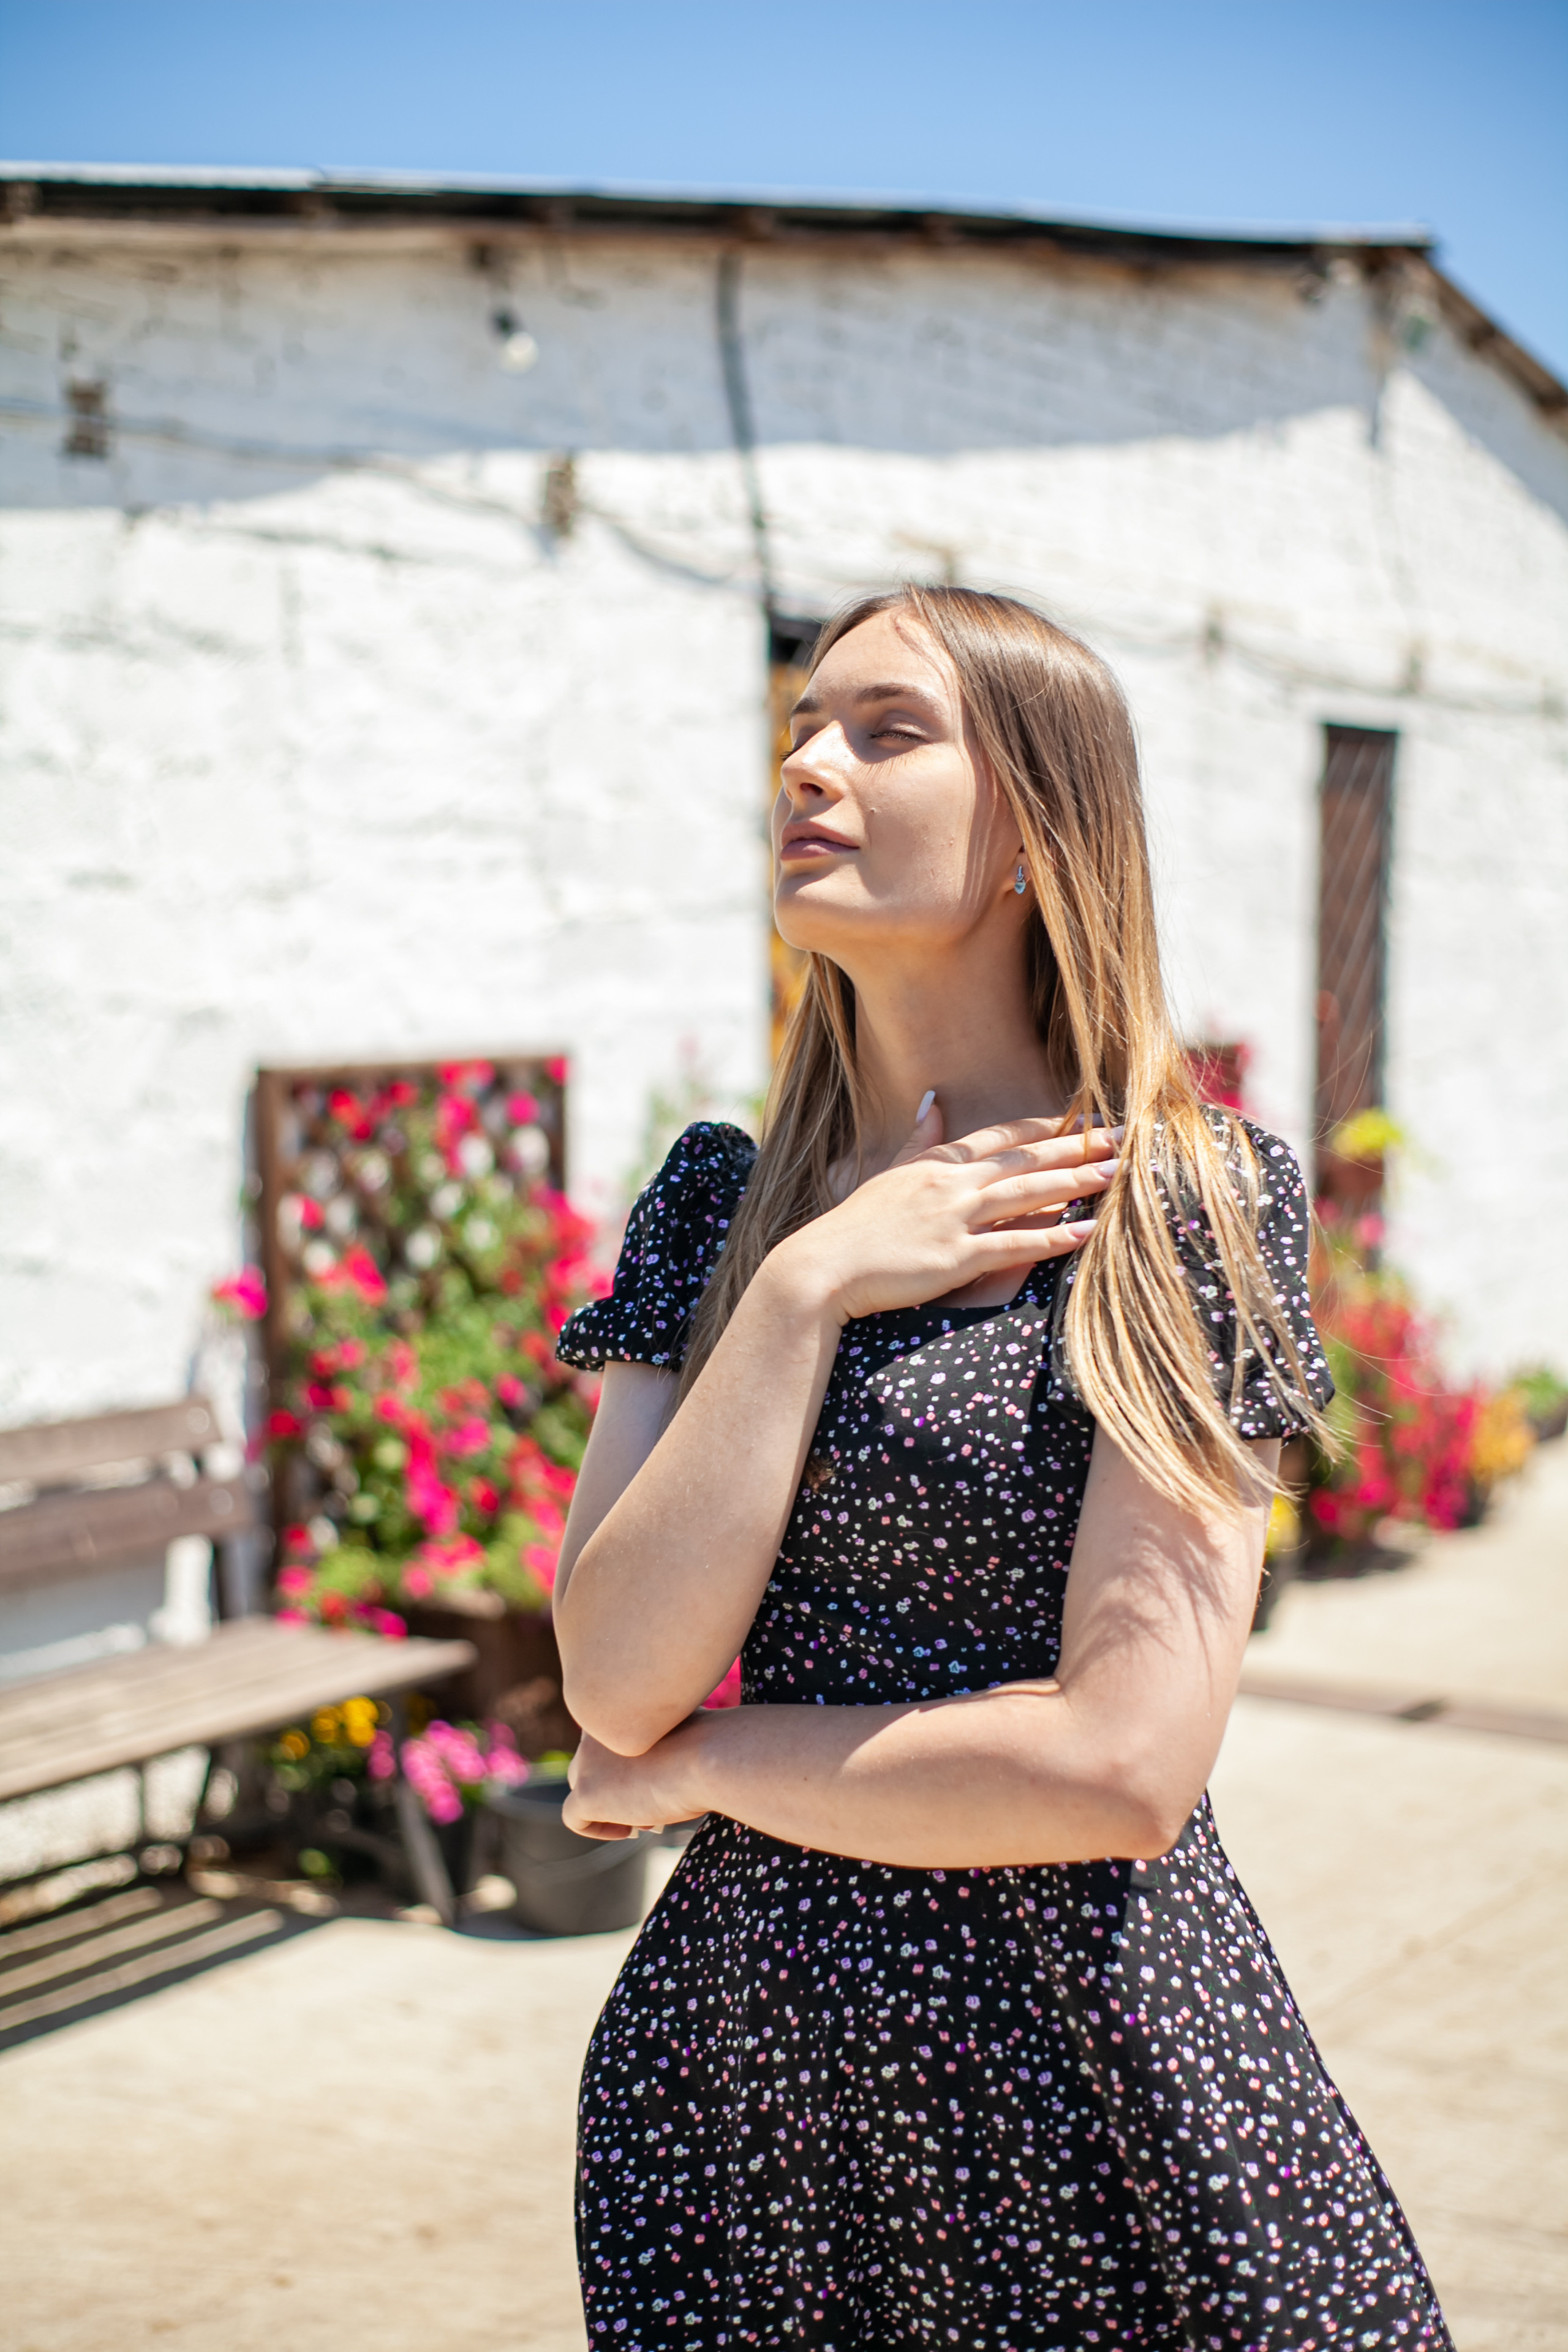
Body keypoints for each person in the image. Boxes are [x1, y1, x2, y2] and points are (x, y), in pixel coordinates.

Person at [552, 586, 1452, 2350]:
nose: (807, 763)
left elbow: (1120, 1764)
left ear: (1039, 825)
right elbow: (611, 1675)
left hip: (1080, 2090)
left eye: (888, 732)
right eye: (804, 723)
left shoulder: (1186, 1198)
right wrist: (811, 1283)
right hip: (751, 2112)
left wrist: (713, 1763)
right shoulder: (721, 1211)